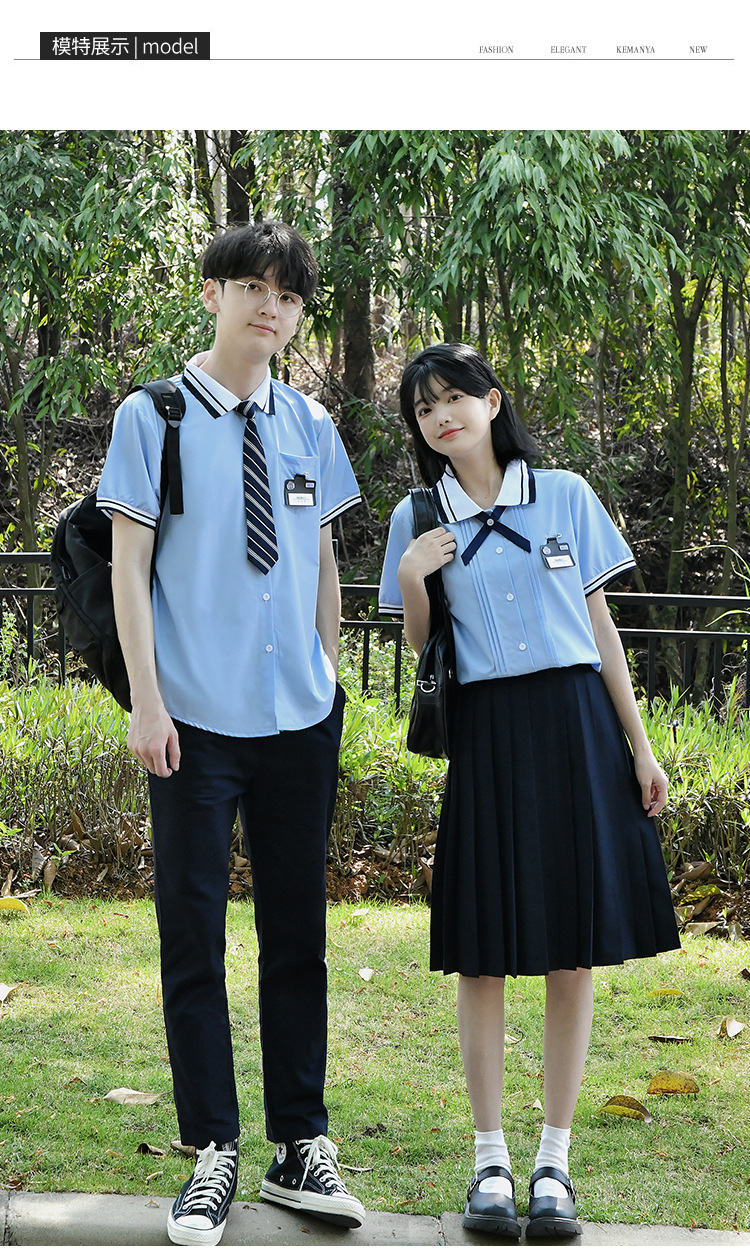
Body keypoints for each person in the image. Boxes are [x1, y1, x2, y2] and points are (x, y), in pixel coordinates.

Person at [97, 221, 365, 1246]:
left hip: (299, 718)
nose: (272, 308)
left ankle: (302, 1142)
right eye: (253, 287)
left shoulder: (310, 423)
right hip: (193, 722)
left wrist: (327, 677)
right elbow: (129, 567)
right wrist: (146, 700)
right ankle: (213, 1148)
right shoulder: (153, 416)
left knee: (298, 934)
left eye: (289, 296)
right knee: (193, 934)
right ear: (213, 293)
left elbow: (324, 562)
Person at [379, 342, 680, 1241]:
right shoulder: (416, 517)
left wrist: (640, 749)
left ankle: (554, 1158)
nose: (442, 416)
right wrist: (412, 575)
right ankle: (490, 1160)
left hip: (575, 725)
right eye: (424, 408)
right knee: (482, 950)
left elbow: (601, 627)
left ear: (492, 401)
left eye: (454, 397)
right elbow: (424, 650)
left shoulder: (566, 496)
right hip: (487, 733)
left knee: (569, 947)